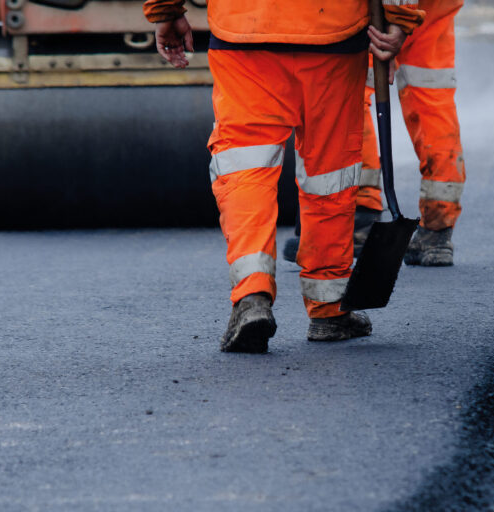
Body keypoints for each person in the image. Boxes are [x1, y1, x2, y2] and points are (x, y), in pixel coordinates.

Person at [142, 0, 424, 353]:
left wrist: (166, 11)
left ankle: (251, 296)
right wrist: (400, 19)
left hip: (244, 31)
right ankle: (330, 309)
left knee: (245, 166)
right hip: (333, 33)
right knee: (330, 172)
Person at [284, 0, 466, 267]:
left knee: (352, 90)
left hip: (379, 7)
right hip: (433, 6)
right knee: (431, 97)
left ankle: (360, 211)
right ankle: (437, 231)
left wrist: (398, 18)